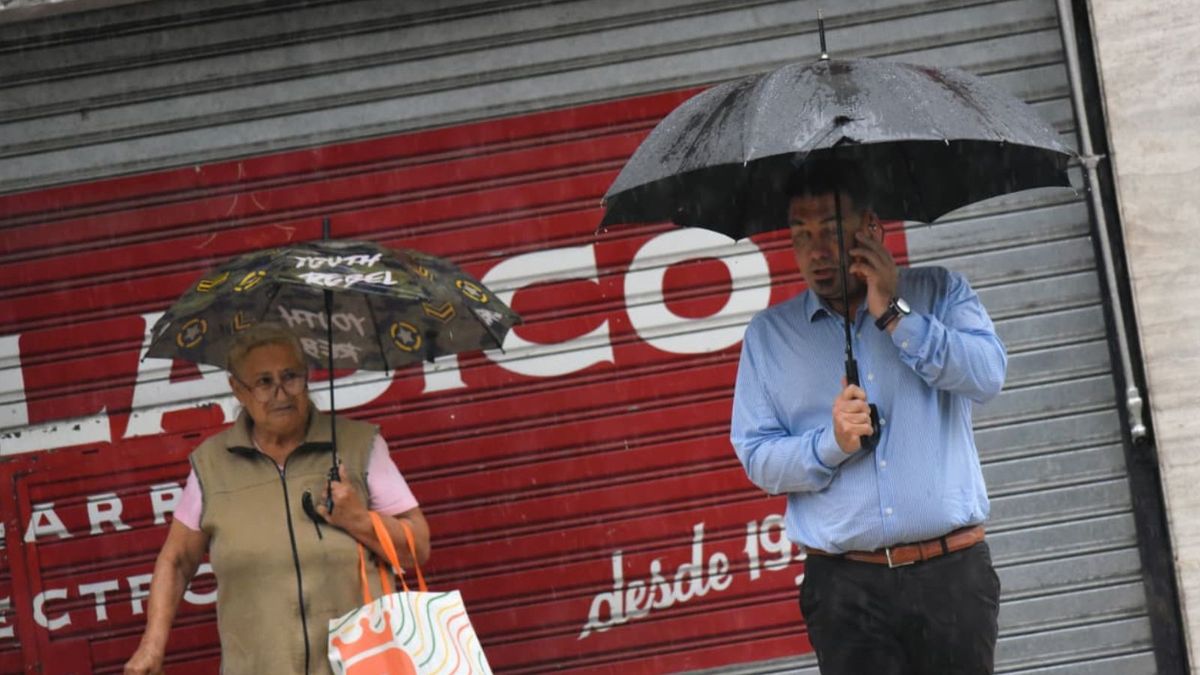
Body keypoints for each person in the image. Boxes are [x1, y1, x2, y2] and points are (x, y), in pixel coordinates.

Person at [730, 164, 1007, 674]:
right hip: (846, 590)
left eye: (831, 231)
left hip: (951, 577)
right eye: (800, 234)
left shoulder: (940, 293)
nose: (815, 251)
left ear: (870, 230)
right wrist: (829, 443)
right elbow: (757, 456)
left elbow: (988, 375)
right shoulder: (769, 337)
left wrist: (896, 314)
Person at [124, 323, 431, 675]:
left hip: (362, 666)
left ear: (308, 377)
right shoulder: (212, 465)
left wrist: (358, 520)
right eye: (264, 382)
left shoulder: (359, 447)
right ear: (237, 389)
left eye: (291, 376)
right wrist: (152, 645)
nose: (282, 393)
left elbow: (417, 546)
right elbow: (176, 560)